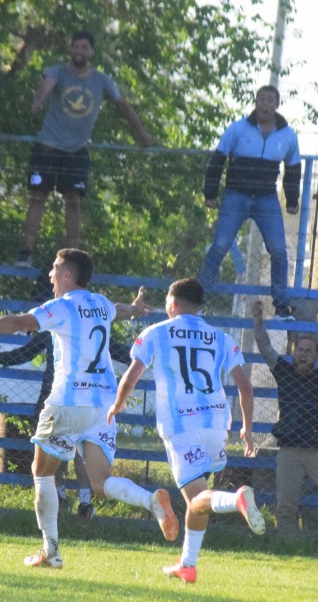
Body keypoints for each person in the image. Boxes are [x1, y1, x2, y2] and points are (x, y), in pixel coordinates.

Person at [0, 248, 178, 569]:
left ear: (68, 274)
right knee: (100, 482)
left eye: (55, 269)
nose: (51, 275)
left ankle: (50, 551)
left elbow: (17, 322)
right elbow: (117, 310)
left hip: (69, 401)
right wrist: (134, 309)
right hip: (103, 405)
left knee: (41, 474)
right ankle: (150, 501)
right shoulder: (98, 303)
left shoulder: (62, 307)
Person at [108, 278, 265, 584]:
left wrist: (116, 405)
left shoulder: (155, 333)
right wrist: (247, 426)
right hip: (218, 425)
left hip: (182, 426)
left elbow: (131, 376)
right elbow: (245, 387)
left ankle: (238, 501)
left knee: (196, 497)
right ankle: (188, 564)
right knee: (199, 495)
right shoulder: (221, 337)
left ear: (173, 304)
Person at [16, 31, 152, 266]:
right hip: (48, 145)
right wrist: (38, 100)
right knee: (38, 196)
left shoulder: (101, 80)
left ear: (91, 52)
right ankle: (26, 251)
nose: (79, 51)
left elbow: (123, 105)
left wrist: (141, 133)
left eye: (84, 47)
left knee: (74, 201)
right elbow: (46, 86)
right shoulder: (58, 71)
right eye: (76, 46)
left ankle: (72, 256)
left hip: (77, 149)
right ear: (70, 49)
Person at [199, 85, 301, 320]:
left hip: (266, 199)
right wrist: (210, 193)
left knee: (278, 250)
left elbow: (293, 169)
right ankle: (199, 298)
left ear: (277, 104)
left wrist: (292, 200)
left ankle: (281, 307)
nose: (264, 104)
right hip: (236, 195)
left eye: (269, 100)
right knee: (220, 245)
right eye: (260, 99)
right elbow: (218, 160)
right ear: (256, 103)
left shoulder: (288, 135)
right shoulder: (238, 128)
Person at [252, 299, 318, 536]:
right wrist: (259, 321)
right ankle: (289, 547)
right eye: (300, 350)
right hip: (290, 449)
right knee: (286, 506)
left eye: (308, 351)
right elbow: (265, 346)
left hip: (316, 449)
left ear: (315, 355)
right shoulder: (284, 372)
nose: (303, 355)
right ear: (294, 352)